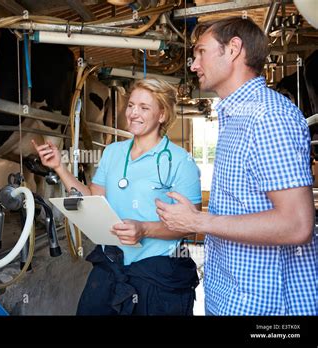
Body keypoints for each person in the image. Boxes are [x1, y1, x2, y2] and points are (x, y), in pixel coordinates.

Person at [155, 17, 317, 315]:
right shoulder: (237, 117)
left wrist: (198, 222)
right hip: (235, 298)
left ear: (233, 49)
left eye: (201, 52)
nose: (193, 65)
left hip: (268, 309)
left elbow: (297, 224)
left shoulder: (268, 116)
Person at [32, 78, 202, 315]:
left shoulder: (180, 162)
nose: (133, 113)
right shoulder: (113, 152)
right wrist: (60, 168)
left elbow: (190, 226)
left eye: (144, 108)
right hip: (112, 264)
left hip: (157, 272)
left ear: (162, 115)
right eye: (131, 105)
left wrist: (145, 229)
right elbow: (92, 197)